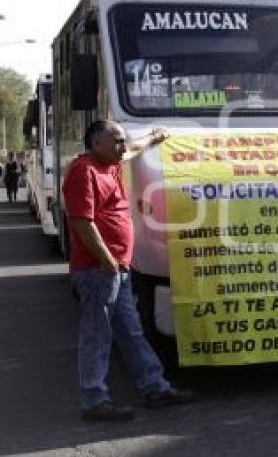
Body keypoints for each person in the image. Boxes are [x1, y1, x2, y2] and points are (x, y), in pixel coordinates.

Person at [64, 120, 194, 422]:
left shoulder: (109, 162)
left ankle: (154, 387)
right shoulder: (84, 171)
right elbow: (82, 221)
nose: (123, 147)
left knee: (131, 332)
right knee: (97, 334)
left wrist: (153, 136)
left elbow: (133, 149)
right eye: (117, 141)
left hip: (117, 268)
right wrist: (107, 259)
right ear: (97, 143)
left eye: (123, 141)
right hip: (99, 270)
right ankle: (94, 399)